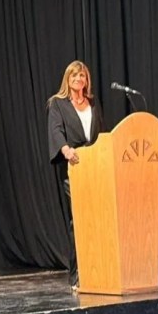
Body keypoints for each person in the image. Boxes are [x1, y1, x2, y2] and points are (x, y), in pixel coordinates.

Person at [47, 61, 105, 286]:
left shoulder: (93, 102)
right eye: (74, 75)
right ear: (67, 79)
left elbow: (101, 130)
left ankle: (100, 269)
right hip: (74, 166)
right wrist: (66, 150)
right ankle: (78, 277)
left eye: (82, 75)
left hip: (96, 166)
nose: (78, 79)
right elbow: (56, 131)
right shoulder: (58, 104)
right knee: (79, 220)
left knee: (99, 218)